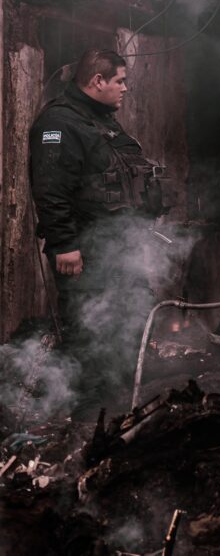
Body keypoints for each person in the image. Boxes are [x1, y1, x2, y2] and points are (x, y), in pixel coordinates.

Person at [30, 49, 172, 420]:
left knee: (128, 322)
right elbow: (50, 189)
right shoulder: (59, 123)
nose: (125, 89)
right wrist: (64, 245)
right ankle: (87, 421)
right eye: (120, 81)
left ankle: (124, 408)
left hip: (118, 248)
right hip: (86, 249)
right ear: (97, 81)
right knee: (89, 333)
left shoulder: (102, 122)